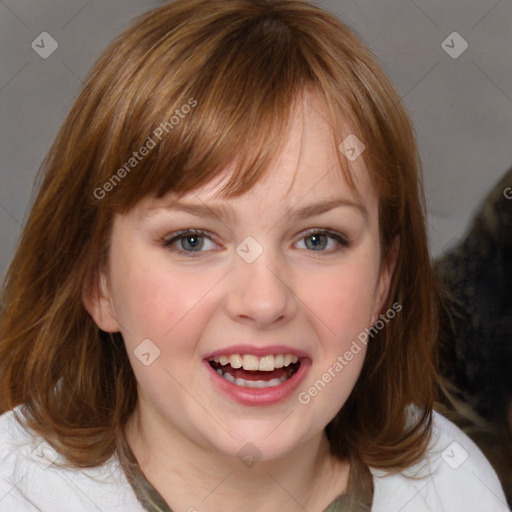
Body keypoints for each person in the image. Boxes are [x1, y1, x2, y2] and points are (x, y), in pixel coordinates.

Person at [0, 1, 508, 510]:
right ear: (98, 282)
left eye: (318, 239)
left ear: (383, 281)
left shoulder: (455, 489)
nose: (264, 302)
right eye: (192, 240)